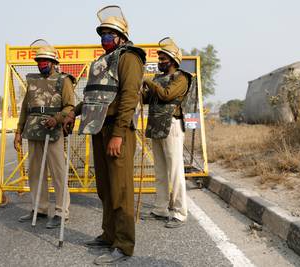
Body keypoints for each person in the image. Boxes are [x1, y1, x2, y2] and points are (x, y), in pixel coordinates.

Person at [63, 5, 146, 265]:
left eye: (109, 34)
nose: (104, 39)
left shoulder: (129, 58)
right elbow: (92, 96)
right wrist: (72, 113)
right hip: (97, 128)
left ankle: (124, 245)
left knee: (120, 189)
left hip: (115, 128)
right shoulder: (100, 62)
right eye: (102, 34)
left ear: (121, 36)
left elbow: (130, 97)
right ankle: (108, 235)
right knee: (105, 188)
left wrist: (119, 134)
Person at [14, 42, 75, 229]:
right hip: (33, 130)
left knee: (58, 172)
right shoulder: (32, 81)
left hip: (53, 131)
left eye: (45, 61)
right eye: (39, 61)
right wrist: (18, 131)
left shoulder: (63, 80)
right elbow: (25, 108)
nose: (42, 64)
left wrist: (57, 118)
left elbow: (70, 106)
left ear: (53, 62)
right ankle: (39, 208)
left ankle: (61, 211)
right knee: (34, 171)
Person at [141, 37, 191, 228]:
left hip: (171, 126)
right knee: (160, 170)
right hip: (155, 125)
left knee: (175, 171)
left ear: (173, 60)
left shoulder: (182, 78)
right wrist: (142, 91)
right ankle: (160, 209)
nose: (160, 62)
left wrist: (149, 83)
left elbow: (166, 95)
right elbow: (148, 99)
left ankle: (179, 212)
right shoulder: (157, 78)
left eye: (163, 59)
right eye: (159, 58)